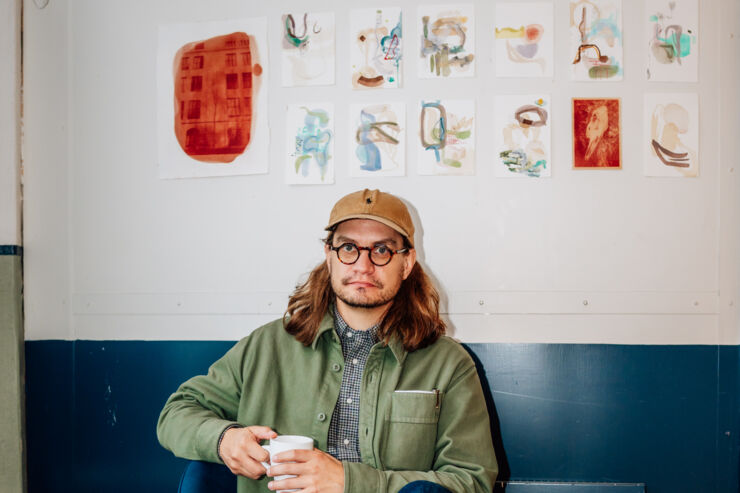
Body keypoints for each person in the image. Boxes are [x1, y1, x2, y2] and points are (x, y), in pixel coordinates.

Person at [157, 189, 498, 493]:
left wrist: (350, 482)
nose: (363, 265)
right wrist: (224, 439)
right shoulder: (267, 346)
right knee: (201, 472)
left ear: (406, 262)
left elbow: (473, 480)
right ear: (329, 255)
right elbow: (176, 414)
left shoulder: (448, 364)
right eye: (349, 247)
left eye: (381, 250)